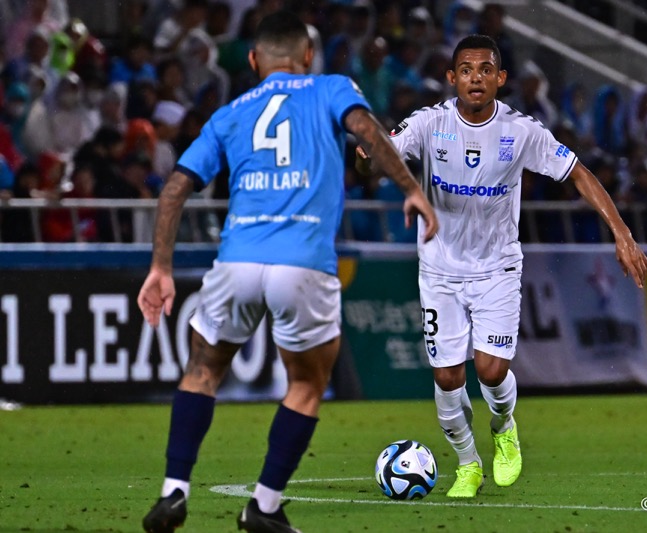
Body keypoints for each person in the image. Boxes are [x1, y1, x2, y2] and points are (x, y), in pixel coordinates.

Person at [137, 11, 437, 533]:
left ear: (254, 60)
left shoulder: (229, 113)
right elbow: (365, 129)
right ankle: (265, 505)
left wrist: (160, 267)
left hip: (236, 260)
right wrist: (411, 188)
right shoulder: (331, 88)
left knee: (202, 370)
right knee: (306, 383)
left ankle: (173, 490)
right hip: (302, 263)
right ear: (307, 56)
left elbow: (175, 187)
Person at [357, 34, 647, 498]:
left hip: (497, 268)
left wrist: (622, 232)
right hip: (439, 270)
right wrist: (368, 157)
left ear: (500, 78)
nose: (476, 78)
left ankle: (504, 425)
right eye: (466, 70)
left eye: (485, 70)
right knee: (447, 377)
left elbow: (578, 173)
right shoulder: (429, 124)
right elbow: (378, 158)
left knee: (491, 371)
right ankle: (468, 464)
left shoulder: (521, 131)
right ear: (451, 78)